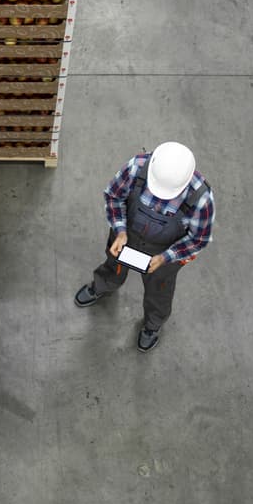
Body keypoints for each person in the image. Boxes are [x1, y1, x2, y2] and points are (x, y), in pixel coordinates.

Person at [74, 142, 215, 352]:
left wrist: (166, 257)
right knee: (114, 265)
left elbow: (198, 239)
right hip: (126, 236)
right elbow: (114, 197)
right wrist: (120, 230)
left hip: (164, 253)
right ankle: (103, 285)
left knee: (160, 289)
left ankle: (152, 325)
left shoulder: (201, 199)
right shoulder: (136, 167)